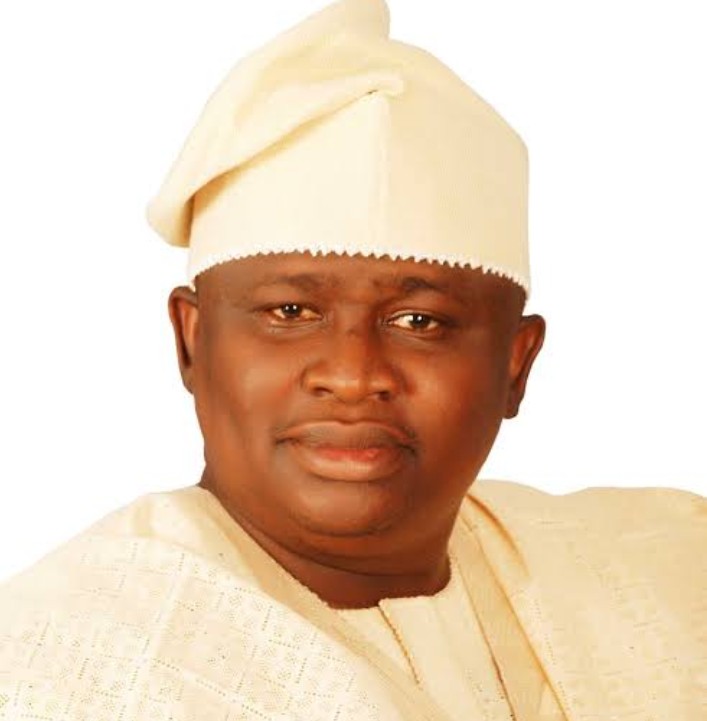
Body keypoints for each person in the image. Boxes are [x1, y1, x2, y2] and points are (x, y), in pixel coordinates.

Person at [0, 0, 704, 719]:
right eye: (289, 312)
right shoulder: (59, 671)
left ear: (515, 365)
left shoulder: (668, 568)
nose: (353, 374)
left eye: (419, 321)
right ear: (191, 341)